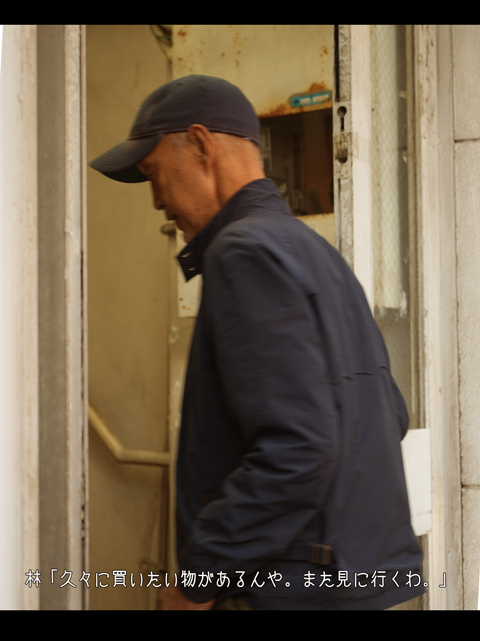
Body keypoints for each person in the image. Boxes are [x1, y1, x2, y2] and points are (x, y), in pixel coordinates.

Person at [90, 74, 424, 610]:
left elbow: (298, 447)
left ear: (201, 146)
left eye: (154, 174)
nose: (156, 201)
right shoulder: (316, 253)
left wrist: (200, 579)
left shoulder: (242, 252)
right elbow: (389, 413)